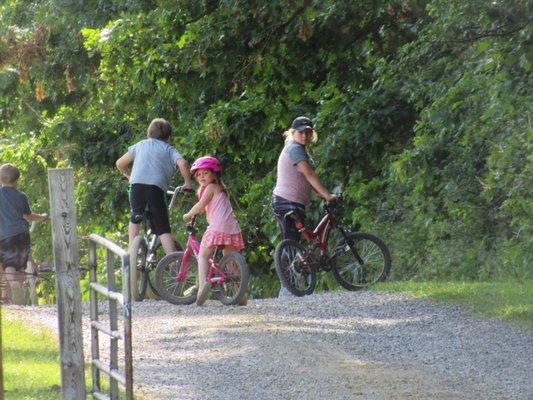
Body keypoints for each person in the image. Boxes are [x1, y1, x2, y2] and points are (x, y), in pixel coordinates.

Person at [271, 116, 337, 297]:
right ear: (293, 133)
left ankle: (290, 285)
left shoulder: (300, 150)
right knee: (290, 242)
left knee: (293, 241)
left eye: (308, 132)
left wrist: (319, 193)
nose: (305, 135)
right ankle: (287, 288)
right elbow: (309, 175)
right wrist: (327, 195)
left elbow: (305, 179)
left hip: (291, 201)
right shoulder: (294, 149)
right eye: (301, 132)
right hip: (286, 201)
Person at [116, 118, 193, 254]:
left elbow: (120, 163)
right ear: (168, 137)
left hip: (136, 186)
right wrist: (187, 183)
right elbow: (183, 164)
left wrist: (129, 176)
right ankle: (173, 263)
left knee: (135, 215)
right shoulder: (169, 149)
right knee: (163, 228)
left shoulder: (140, 145)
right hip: (156, 189)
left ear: (148, 133)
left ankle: (131, 253)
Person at [183, 156, 245, 306]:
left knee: (203, 256)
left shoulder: (211, 188)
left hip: (217, 228)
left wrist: (188, 214)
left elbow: (200, 205)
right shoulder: (221, 190)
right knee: (231, 264)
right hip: (231, 229)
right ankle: (240, 293)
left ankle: (203, 285)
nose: (201, 176)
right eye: (198, 174)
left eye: (205, 173)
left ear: (214, 173)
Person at [0, 163, 48, 305]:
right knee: (20, 263)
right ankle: (18, 290)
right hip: (22, 234)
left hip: (4, 236)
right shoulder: (21, 196)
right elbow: (28, 216)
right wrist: (43, 217)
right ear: (17, 180)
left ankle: (13, 285)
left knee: (9, 264)